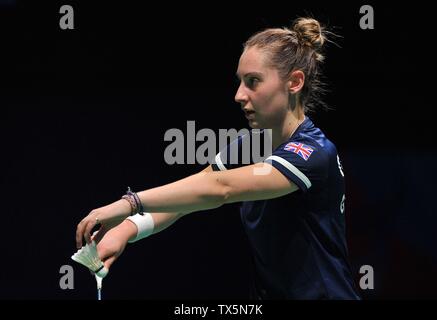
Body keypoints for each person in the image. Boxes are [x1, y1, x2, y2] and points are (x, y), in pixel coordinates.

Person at [75, 17, 360, 299]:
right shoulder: (248, 146)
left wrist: (129, 203)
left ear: (294, 82)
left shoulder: (313, 153)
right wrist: (127, 229)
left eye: (253, 82)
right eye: (240, 82)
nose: (239, 95)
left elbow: (221, 189)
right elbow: (192, 195)